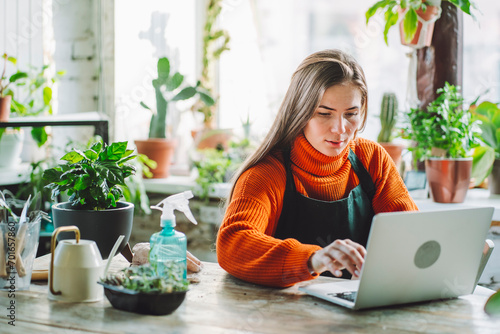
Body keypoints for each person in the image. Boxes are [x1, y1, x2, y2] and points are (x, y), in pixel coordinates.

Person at [216, 49, 418, 288]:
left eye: (351, 114)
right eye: (324, 114)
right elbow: (233, 244)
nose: (340, 129)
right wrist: (314, 259)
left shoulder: (372, 159)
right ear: (299, 112)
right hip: (288, 315)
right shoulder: (266, 173)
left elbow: (411, 232)